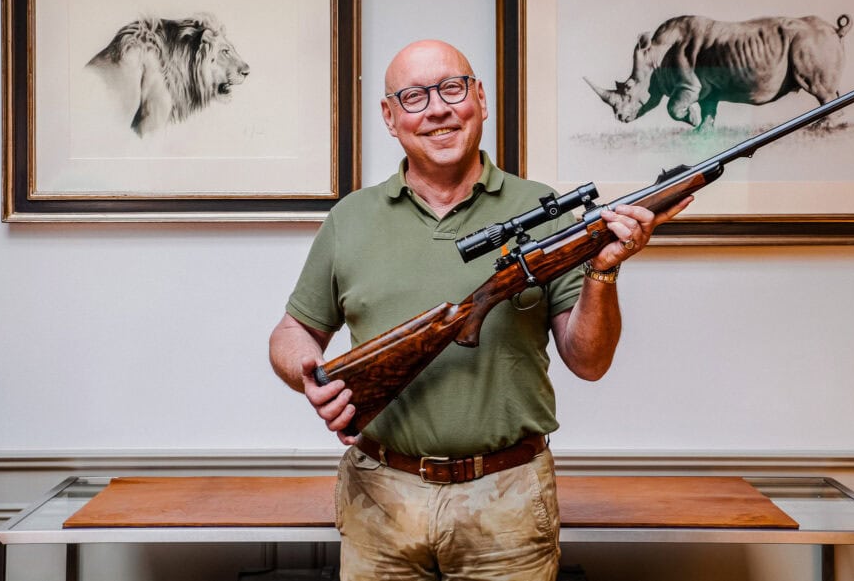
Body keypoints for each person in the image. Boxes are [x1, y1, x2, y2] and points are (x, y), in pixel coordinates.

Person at [269, 39, 691, 581]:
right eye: (414, 96)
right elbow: (293, 330)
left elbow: (589, 362)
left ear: (481, 100)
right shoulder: (350, 218)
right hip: (377, 499)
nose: (438, 109)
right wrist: (310, 374)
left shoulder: (542, 211)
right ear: (390, 117)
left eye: (452, 88)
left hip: (508, 501)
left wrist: (602, 271)